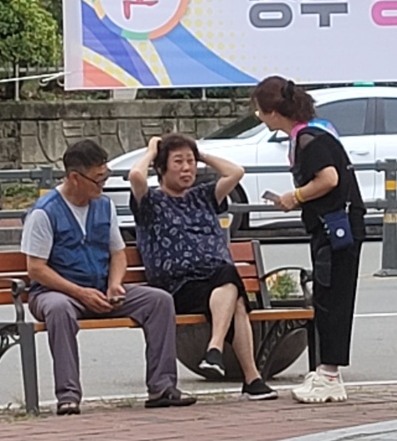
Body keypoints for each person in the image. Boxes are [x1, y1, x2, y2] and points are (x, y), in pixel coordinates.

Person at [21, 139, 196, 415]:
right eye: (98, 179)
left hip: (102, 288)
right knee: (59, 309)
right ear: (75, 178)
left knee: (159, 301)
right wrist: (80, 293)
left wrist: (115, 284)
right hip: (57, 292)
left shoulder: (104, 206)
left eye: (106, 176)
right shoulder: (45, 212)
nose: (103, 184)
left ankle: (162, 387)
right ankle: (68, 395)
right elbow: (36, 269)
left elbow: (118, 253)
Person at [129, 133, 277, 400]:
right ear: (161, 168)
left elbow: (236, 172)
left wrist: (201, 154)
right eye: (178, 162)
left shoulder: (203, 196)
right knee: (232, 286)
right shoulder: (150, 202)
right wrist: (152, 151)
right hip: (177, 287)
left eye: (191, 161)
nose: (187, 168)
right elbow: (136, 177)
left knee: (233, 292)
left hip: (216, 281)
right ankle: (242, 371)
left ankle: (228, 360)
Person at [252, 76, 366, 404]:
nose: (259, 116)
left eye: (260, 111)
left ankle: (329, 375)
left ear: (274, 112)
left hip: (336, 229)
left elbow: (328, 179)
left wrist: (295, 197)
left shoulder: (309, 140)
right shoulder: (316, 132)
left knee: (333, 299)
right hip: (334, 226)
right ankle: (325, 371)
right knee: (327, 296)